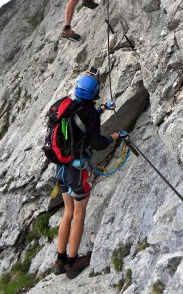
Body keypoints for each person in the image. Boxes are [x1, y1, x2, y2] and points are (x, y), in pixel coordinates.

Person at [52, 74, 128, 279]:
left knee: (67, 213)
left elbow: (82, 120)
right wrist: (116, 136)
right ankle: (72, 261)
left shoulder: (69, 107)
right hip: (77, 171)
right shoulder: (89, 114)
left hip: (61, 168)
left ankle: (59, 260)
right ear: (93, 93)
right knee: (79, 214)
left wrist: (102, 109)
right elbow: (97, 143)